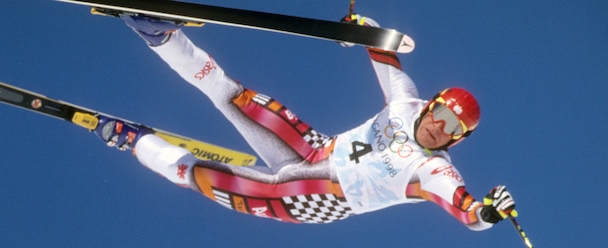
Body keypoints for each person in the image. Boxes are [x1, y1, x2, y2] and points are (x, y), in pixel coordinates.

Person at [94, 12, 517, 227]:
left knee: (208, 178)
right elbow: (383, 53)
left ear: (457, 141)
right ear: (432, 104)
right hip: (315, 148)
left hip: (322, 197)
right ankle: (160, 35)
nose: (439, 127)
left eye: (452, 129)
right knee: (236, 97)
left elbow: (465, 210)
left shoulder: (434, 169)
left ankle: (135, 141)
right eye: (442, 114)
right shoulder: (406, 103)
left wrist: (488, 213)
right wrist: (360, 26)